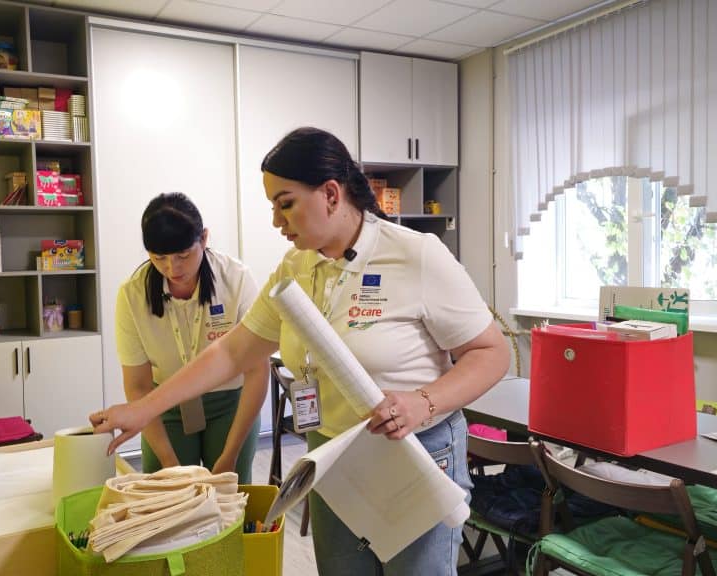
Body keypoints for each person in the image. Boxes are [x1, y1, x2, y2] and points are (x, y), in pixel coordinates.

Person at [91, 128, 509, 575]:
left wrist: (422, 402)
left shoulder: (415, 255)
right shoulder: (297, 266)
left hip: (412, 451)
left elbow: (492, 352)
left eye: (285, 203)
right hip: (331, 454)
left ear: (330, 194)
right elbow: (233, 352)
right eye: (273, 206)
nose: (277, 221)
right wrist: (143, 409)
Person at [112, 192, 268, 483]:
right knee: (168, 495)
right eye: (159, 258)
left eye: (183, 256)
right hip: (164, 408)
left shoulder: (236, 279)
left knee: (229, 494)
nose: (172, 269)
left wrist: (231, 454)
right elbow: (138, 385)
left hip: (230, 405)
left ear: (204, 238)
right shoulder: (132, 295)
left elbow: (257, 370)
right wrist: (169, 463)